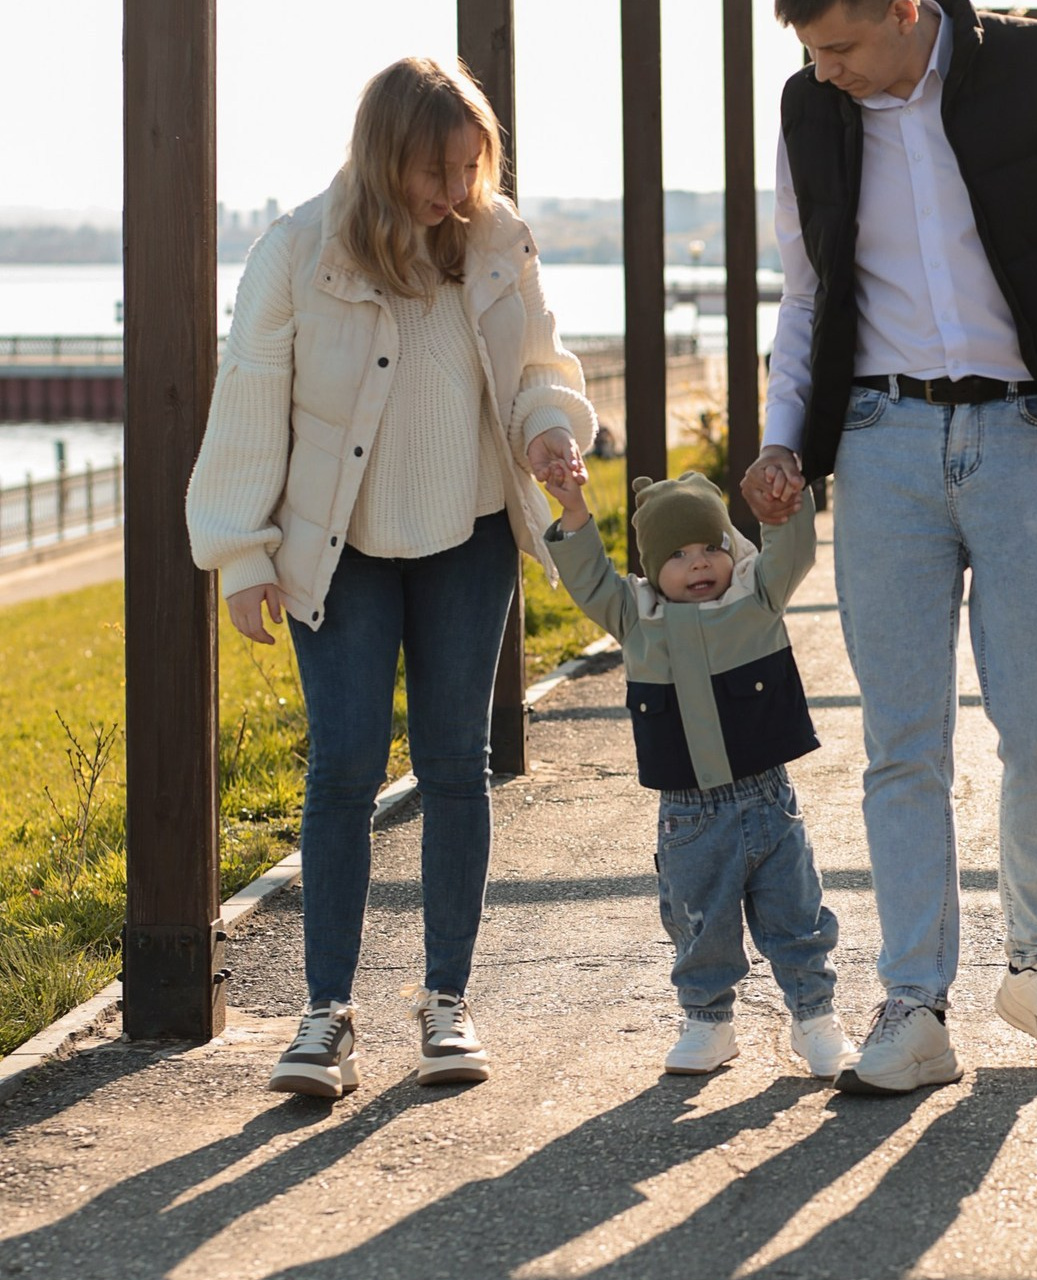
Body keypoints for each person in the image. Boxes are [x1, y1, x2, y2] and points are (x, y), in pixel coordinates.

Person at [744, 0, 1037, 1095]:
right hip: (879, 443)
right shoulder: (809, 108)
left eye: (835, 46)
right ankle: (913, 1002)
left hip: (1029, 433)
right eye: (805, 53)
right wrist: (783, 437)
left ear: (901, 10)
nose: (821, 71)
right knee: (901, 742)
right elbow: (805, 291)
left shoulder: (1034, 69)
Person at [186, 57, 596, 1098]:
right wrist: (240, 551)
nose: (454, 191)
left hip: (465, 538)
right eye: (435, 170)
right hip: (339, 549)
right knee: (342, 770)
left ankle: (446, 1003)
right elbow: (248, 405)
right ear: (382, 157)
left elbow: (539, 369)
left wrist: (551, 435)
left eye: (470, 167)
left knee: (456, 764)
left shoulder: (496, 240)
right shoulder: (294, 252)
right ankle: (325, 1015)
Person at [540, 467, 854, 1079]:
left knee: (797, 914)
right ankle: (707, 1023)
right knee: (698, 923)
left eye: (711, 546)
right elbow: (587, 577)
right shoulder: (636, 617)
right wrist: (574, 506)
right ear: (653, 567)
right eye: (678, 555)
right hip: (688, 814)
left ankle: (815, 1017)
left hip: (769, 800)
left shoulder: (756, 595)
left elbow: (793, 547)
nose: (700, 564)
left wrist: (782, 502)